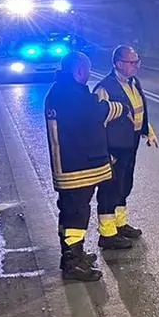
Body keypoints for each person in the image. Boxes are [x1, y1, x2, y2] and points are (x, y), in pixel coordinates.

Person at [44, 51, 125, 281]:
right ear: (79, 71)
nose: (89, 74)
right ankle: (72, 262)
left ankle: (74, 253)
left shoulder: (62, 91)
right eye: (87, 70)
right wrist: (119, 108)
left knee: (71, 211)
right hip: (75, 168)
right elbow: (96, 112)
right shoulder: (70, 94)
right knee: (76, 214)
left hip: (73, 164)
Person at [93, 44, 158, 249]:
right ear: (118, 64)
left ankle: (120, 225)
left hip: (129, 143)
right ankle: (107, 234)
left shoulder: (133, 82)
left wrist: (147, 130)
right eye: (132, 62)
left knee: (124, 185)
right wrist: (103, 150)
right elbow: (97, 122)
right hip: (113, 148)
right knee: (109, 188)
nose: (136, 66)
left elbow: (137, 110)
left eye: (137, 61)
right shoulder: (105, 88)